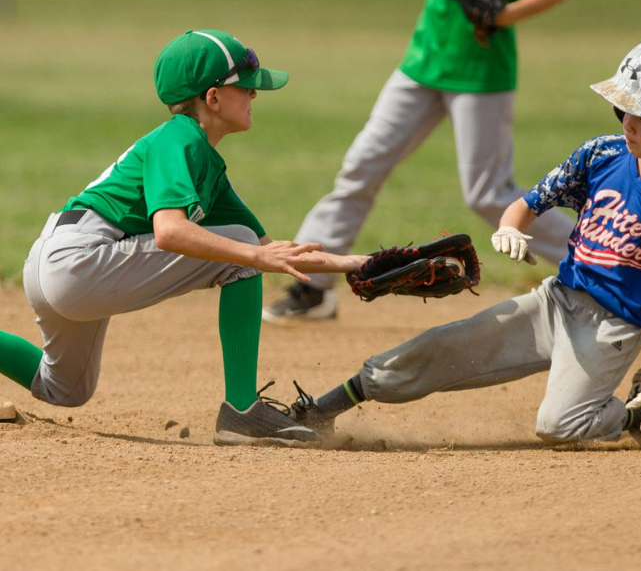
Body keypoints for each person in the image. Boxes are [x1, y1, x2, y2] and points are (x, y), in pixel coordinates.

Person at [287, 35, 641, 445]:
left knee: (559, 427)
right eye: (625, 110)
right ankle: (321, 409)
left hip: (611, 330)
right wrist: (509, 226)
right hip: (555, 302)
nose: (628, 122)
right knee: (442, 346)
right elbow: (531, 201)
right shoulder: (601, 154)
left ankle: (635, 414)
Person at [0, 29, 368, 448]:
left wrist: (363, 264)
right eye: (245, 86)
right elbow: (172, 231)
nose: (254, 95)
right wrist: (250, 254)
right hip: (79, 258)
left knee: (63, 388)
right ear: (213, 98)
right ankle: (242, 411)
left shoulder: (205, 163)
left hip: (56, 262)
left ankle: (242, 412)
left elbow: (271, 252)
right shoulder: (181, 139)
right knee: (240, 252)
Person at [262, 0, 574, 322]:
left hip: (482, 70)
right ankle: (312, 287)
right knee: (362, 166)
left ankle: (605, 265)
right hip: (422, 62)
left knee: (487, 193)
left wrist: (504, 15)